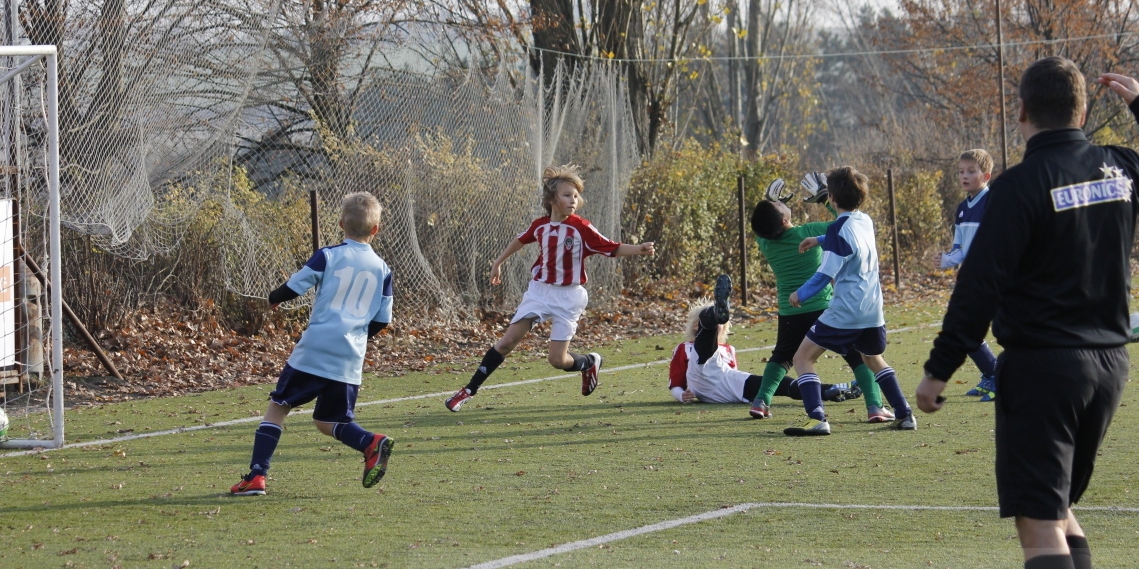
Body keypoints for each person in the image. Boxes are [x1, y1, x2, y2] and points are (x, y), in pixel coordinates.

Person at [915, 60, 1139, 569]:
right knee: (1059, 508)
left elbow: (980, 285)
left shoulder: (1019, 186)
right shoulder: (1119, 168)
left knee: (1038, 521)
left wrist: (939, 368)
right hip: (1109, 368)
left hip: (1043, 369)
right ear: (1083, 111)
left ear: (1021, 112)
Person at [446, 164, 655, 411]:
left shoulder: (581, 227)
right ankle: (469, 390)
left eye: (576, 195)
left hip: (569, 297)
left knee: (557, 360)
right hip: (539, 292)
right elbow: (519, 240)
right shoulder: (540, 226)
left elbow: (611, 247)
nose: (573, 200)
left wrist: (639, 249)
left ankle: (588, 363)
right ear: (552, 199)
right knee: (506, 342)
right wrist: (497, 263)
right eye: (567, 195)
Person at [231, 192, 396, 495]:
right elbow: (382, 320)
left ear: (341, 224)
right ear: (376, 229)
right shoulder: (383, 269)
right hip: (350, 356)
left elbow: (296, 285)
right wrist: (357, 336)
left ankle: (256, 476)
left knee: (278, 406)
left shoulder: (329, 255)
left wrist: (274, 298)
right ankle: (369, 442)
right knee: (328, 420)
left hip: (317, 347)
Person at [782, 167, 917, 436]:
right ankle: (904, 414)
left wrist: (800, 293)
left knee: (802, 357)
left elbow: (824, 275)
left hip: (846, 311)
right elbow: (848, 240)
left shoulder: (837, 231)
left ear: (831, 198)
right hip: (872, 309)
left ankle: (816, 418)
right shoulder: (865, 220)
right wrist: (819, 239)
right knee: (872, 358)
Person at [749, 179, 887, 421]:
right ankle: (875, 406)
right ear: (784, 221)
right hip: (822, 308)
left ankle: (761, 402)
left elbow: (762, 227)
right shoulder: (808, 232)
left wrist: (768, 201)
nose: (781, 203)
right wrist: (826, 199)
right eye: (779, 205)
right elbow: (845, 224)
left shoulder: (765, 243)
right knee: (856, 355)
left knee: (782, 356)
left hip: (789, 311)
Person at [668, 275, 859, 407]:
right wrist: (681, 395)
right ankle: (712, 314)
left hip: (727, 388)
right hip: (701, 379)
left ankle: (829, 390)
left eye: (722, 324)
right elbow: (675, 382)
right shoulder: (685, 348)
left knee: (781, 385)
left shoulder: (728, 349)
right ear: (694, 326)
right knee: (705, 340)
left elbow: (731, 374)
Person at [933, 148, 1000, 401]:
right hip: (972, 280)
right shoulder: (962, 208)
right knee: (963, 329)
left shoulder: (993, 202)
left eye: (971, 171)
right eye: (961, 171)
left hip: (994, 279)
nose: (964, 176)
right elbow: (959, 249)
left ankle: (1003, 377)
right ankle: (991, 374)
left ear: (986, 176)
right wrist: (945, 260)